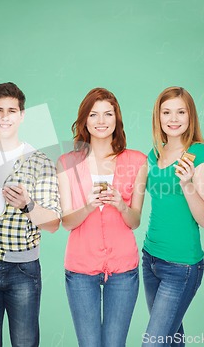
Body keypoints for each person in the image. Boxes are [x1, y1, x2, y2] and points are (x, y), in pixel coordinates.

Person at [0, 82, 61, 347]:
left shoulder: (40, 161)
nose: (5, 117)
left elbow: (53, 224)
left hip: (22, 271)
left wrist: (28, 205)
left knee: (26, 344)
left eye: (12, 111)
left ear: (22, 115)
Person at [57, 88, 147, 347]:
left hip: (124, 270)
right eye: (94, 115)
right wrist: (87, 206)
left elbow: (135, 221)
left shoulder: (137, 161)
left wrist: (120, 204)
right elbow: (66, 222)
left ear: (116, 119)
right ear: (84, 120)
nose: (101, 121)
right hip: (80, 269)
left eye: (108, 114)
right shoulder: (66, 162)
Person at [142, 87, 204, 347]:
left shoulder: (200, 155)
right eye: (167, 112)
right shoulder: (154, 153)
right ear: (158, 117)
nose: (173, 118)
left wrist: (187, 184)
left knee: (153, 343)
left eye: (181, 112)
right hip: (150, 259)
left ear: (190, 116)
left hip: (182, 266)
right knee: (172, 341)